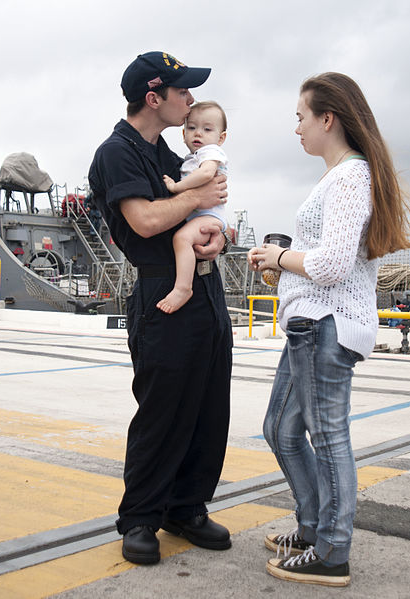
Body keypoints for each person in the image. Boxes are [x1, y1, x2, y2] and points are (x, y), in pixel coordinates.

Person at [248, 72, 410, 587]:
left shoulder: (349, 177)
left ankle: (332, 550)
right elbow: (324, 259)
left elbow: (333, 264)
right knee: (280, 429)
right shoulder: (337, 177)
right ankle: (314, 527)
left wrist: (279, 255)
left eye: (301, 117)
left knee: (327, 435)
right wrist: (285, 264)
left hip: (326, 325)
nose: (296, 127)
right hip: (308, 323)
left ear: (327, 118)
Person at [88, 51, 233, 565]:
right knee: (162, 410)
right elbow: (147, 222)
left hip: (206, 290)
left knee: (209, 407)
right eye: (182, 92)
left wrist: (214, 239)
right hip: (162, 295)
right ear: (154, 99)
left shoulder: (168, 152)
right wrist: (195, 203)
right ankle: (142, 517)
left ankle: (187, 507)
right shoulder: (117, 152)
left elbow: (208, 202)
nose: (190, 101)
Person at [157, 101, 229, 313]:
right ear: (183, 133)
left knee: (181, 239)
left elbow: (207, 174)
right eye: (192, 128)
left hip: (208, 217)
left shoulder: (211, 153)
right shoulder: (192, 158)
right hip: (204, 217)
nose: (198, 133)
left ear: (221, 138)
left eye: (207, 129)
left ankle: (182, 288)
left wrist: (177, 187)